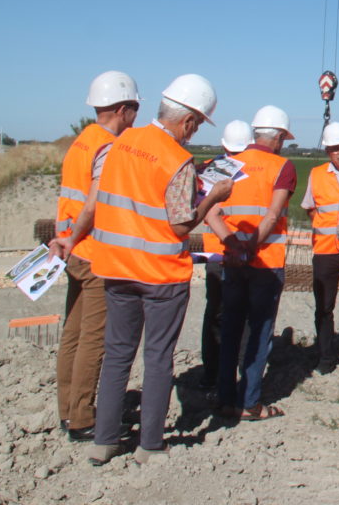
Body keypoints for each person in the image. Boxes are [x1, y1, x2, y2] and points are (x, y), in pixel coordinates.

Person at [85, 74, 231, 465]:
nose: (193, 133)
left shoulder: (121, 143)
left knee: (116, 354)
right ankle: (150, 444)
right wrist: (213, 194)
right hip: (161, 275)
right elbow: (182, 224)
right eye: (196, 125)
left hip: (116, 269)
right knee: (157, 357)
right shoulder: (176, 159)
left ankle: (104, 441)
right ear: (188, 121)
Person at [49, 71, 140, 442]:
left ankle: (68, 410)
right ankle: (84, 419)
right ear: (122, 109)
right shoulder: (107, 147)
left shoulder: (81, 142)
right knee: (93, 339)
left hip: (73, 251)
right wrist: (74, 238)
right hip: (92, 253)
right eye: (134, 109)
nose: (136, 116)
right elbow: (91, 205)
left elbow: (69, 197)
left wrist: (64, 238)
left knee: (72, 333)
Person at [209, 105, 297, 420]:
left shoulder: (225, 163)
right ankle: (250, 403)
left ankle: (224, 399)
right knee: (259, 333)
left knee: (231, 328)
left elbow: (209, 210)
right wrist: (251, 247)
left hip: (231, 262)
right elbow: (272, 215)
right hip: (266, 263)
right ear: (279, 138)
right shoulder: (283, 167)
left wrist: (231, 244)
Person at [195, 119, 253, 389]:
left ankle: (216, 374)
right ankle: (221, 374)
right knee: (229, 316)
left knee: (217, 315)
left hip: (220, 255)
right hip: (226, 254)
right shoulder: (215, 171)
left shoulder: (209, 169)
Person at [303, 121, 339, 370]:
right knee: (324, 307)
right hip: (325, 250)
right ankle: (325, 355)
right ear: (328, 151)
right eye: (335, 148)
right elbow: (310, 208)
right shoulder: (316, 175)